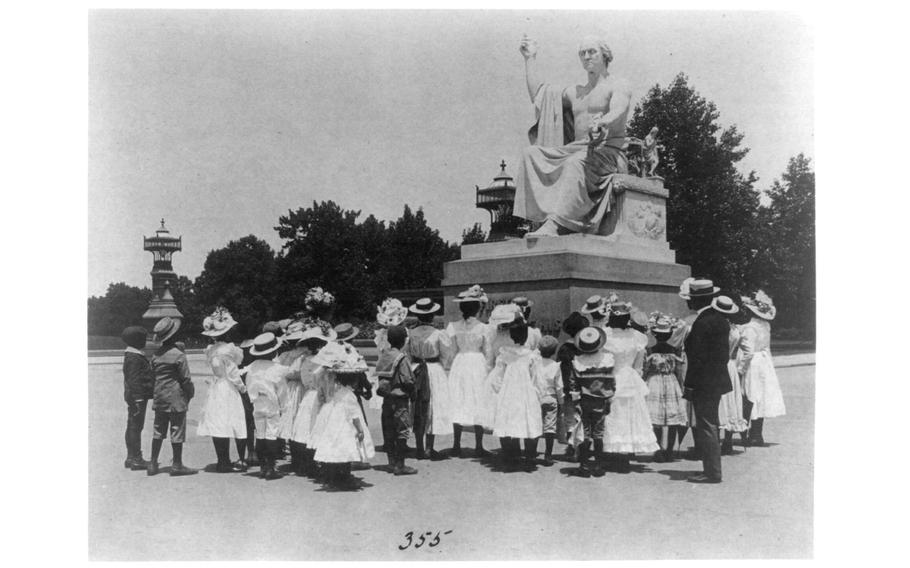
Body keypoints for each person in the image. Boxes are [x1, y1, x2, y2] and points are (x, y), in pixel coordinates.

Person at [515, 35, 632, 237]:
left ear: (605, 55)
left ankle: (557, 224)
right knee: (530, 154)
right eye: (582, 53)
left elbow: (619, 109)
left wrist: (603, 121)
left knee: (575, 163)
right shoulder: (575, 92)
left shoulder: (618, 85)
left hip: (608, 153)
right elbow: (540, 97)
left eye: (591, 52)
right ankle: (541, 220)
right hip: (577, 150)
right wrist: (530, 59)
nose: (586, 57)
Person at [681, 279, 732, 484]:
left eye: (690, 299)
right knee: (711, 423)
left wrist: (690, 384)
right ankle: (711, 469)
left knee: (706, 425)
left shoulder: (702, 323)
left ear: (695, 300)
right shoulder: (720, 319)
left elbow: (697, 358)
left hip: (704, 382)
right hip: (717, 380)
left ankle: (712, 472)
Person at [602, 300, 660, 472]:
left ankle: (614, 453)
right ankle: (624, 455)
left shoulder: (605, 335)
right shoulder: (637, 337)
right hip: (630, 377)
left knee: (614, 415)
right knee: (628, 416)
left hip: (612, 376)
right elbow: (639, 366)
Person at [309, 341, 374, 487]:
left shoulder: (336, 392)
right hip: (345, 425)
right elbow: (354, 415)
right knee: (346, 450)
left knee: (333, 448)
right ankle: (344, 477)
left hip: (331, 422)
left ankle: (330, 478)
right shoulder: (349, 395)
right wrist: (360, 430)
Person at [488, 318, 544, 469]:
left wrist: (498, 391)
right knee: (529, 418)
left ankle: (510, 453)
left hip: (509, 391)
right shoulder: (532, 356)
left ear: (511, 336)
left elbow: (497, 377)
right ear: (526, 336)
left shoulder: (504, 354)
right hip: (527, 391)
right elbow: (537, 379)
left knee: (508, 419)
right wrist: (539, 393)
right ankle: (530, 455)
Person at [197, 308, 248, 473]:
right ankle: (233, 459)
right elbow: (233, 373)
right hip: (228, 387)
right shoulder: (229, 350)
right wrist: (242, 388)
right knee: (234, 419)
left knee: (219, 423)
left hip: (217, 386)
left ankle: (222, 460)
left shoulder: (211, 350)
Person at [445, 285, 493, 457]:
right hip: (477, 363)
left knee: (459, 399)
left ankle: (456, 444)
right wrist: (488, 370)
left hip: (461, 362)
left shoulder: (454, 326)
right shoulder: (483, 328)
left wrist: (450, 367)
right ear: (477, 308)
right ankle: (478, 445)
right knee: (477, 399)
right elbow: (488, 353)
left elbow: (450, 351)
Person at [406, 298, 454, 460]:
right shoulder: (439, 334)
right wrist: (438, 364)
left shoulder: (411, 333)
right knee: (432, 407)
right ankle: (428, 448)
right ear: (432, 315)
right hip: (434, 370)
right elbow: (446, 355)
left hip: (416, 368)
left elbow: (407, 355)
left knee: (418, 405)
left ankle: (419, 447)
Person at [148, 317, 197, 476]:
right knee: (177, 430)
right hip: (176, 397)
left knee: (158, 430)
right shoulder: (178, 355)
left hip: (160, 396)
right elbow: (186, 379)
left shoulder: (155, 355)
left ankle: (153, 463)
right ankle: (177, 464)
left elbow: (153, 375)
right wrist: (190, 393)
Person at [566, 327, 616, 477]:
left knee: (585, 433)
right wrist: (610, 397)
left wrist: (575, 402)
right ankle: (599, 465)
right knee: (599, 433)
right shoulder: (607, 360)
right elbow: (611, 382)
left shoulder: (578, 362)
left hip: (584, 401)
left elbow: (573, 383)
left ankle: (584, 464)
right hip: (602, 400)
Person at [739, 291, 786, 446]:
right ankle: (756, 433)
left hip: (753, 362)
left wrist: (740, 369)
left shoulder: (749, 328)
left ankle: (746, 432)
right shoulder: (765, 325)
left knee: (750, 395)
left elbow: (748, 351)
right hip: (764, 361)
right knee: (761, 395)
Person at [288, 325, 335, 477]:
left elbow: (303, 378)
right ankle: (316, 461)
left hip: (309, 394)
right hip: (319, 394)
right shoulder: (324, 361)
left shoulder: (304, 359)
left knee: (306, 427)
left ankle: (307, 462)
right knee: (316, 426)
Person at [245, 332, 288, 480]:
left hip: (258, 402)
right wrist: (284, 407)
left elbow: (249, 385)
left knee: (260, 434)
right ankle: (271, 467)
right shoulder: (277, 369)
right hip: (272, 403)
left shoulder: (252, 367)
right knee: (272, 434)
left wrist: (252, 400)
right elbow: (282, 390)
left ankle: (263, 467)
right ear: (274, 351)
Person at [375, 325, 418, 475]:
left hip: (386, 399)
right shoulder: (402, 358)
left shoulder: (384, 356)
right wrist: (413, 392)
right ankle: (400, 465)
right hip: (400, 400)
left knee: (389, 431)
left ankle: (391, 463)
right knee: (402, 430)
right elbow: (407, 380)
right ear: (403, 341)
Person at [643, 314, 687, 462]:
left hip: (654, 381)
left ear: (655, 334)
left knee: (657, 419)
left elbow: (646, 369)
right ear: (669, 334)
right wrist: (681, 387)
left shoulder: (650, 350)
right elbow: (679, 371)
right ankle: (669, 450)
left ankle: (659, 450)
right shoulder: (674, 350)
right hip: (671, 382)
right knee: (672, 418)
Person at [712, 296, 750, 454]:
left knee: (718, 401)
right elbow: (748, 352)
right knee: (730, 401)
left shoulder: (716, 328)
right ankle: (727, 441)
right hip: (730, 366)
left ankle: (716, 440)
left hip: (716, 365)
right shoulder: (735, 330)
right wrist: (740, 368)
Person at [556, 311, 589, 460]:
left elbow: (561, 369)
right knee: (581, 418)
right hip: (583, 387)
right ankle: (580, 447)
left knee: (569, 418)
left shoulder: (564, 349)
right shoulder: (585, 348)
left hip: (568, 388)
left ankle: (571, 446)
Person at [121, 326, 154, 470]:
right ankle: (136, 458)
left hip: (134, 396)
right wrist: (139, 398)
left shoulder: (132, 355)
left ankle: (131, 457)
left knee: (132, 425)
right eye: (143, 339)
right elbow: (134, 379)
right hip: (137, 397)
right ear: (137, 340)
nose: (145, 342)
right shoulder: (135, 357)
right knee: (136, 426)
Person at [536, 335, 563, 466]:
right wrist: (561, 402)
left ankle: (531, 452)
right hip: (551, 397)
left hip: (536, 397)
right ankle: (548, 455)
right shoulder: (556, 366)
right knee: (550, 427)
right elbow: (559, 386)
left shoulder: (535, 363)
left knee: (535, 425)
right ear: (554, 351)